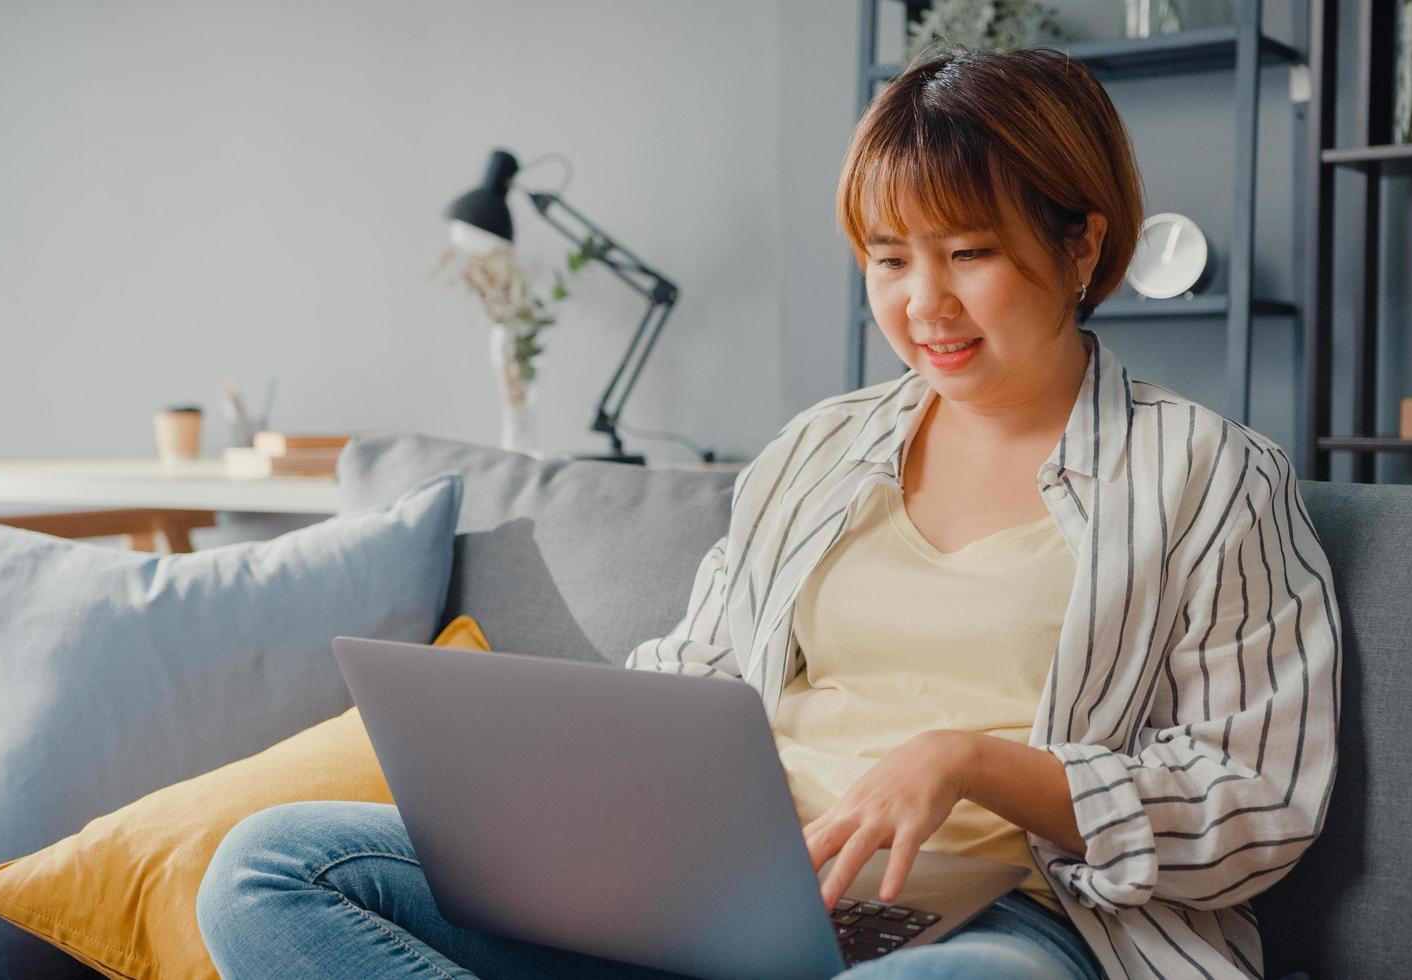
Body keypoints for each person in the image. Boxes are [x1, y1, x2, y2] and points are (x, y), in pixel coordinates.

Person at [196, 43, 1341, 980]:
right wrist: (570, 779)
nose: (921, 302)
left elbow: (1254, 807)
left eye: (968, 251)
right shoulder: (819, 448)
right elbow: (694, 673)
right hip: (715, 893)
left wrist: (969, 762)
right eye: (887, 258)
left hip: (1006, 927)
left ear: (1079, 240)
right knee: (269, 865)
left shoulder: (1208, 476)